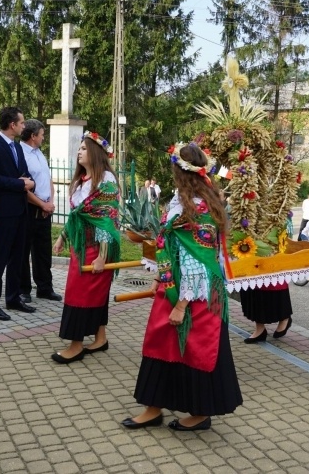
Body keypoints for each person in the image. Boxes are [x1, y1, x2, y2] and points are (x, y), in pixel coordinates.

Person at [121, 142, 242, 431]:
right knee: (160, 344)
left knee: (197, 351)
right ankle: (153, 408)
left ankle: (200, 413)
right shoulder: (181, 200)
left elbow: (198, 262)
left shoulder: (200, 209)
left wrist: (181, 304)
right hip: (175, 285)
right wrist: (158, 278)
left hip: (196, 294)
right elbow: (171, 246)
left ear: (180, 171)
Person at [51, 131, 120, 364]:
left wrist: (102, 256)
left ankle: (76, 345)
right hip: (80, 246)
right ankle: (100, 338)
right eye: (79, 148)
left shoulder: (106, 182)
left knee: (79, 293)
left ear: (95, 153)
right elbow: (76, 216)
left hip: (98, 247)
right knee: (93, 293)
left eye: (83, 148)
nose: (79, 152)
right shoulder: (82, 181)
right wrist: (62, 237)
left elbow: (106, 221)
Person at [0, 107, 37, 320]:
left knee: (18, 257)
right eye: (21, 123)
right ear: (12, 124)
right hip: (5, 211)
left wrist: (30, 182)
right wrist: (20, 184)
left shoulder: (17, 147)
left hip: (21, 210)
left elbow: (23, 173)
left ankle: (13, 298)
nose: (24, 126)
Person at [19, 120, 62, 302]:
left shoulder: (39, 154)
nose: (44, 138)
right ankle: (23, 290)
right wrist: (41, 204)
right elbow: (22, 187)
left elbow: (47, 179)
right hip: (29, 209)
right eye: (42, 134)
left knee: (43, 252)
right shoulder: (20, 154)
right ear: (33, 136)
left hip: (45, 210)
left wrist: (50, 203)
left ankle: (44, 287)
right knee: (23, 251)